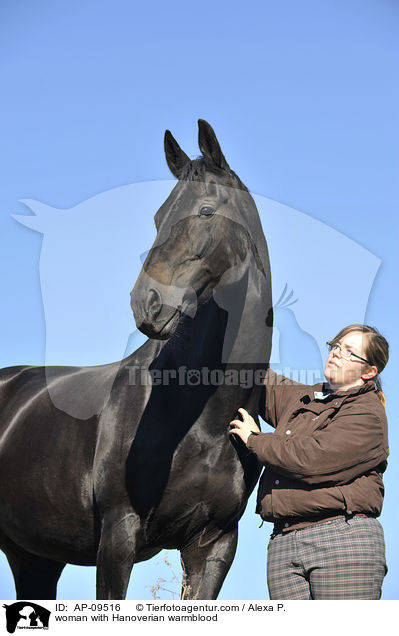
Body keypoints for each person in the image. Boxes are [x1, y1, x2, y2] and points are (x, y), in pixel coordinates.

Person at [229, 324, 389, 600]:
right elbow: (257, 376)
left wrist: (256, 440)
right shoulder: (303, 398)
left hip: (341, 539)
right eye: (336, 346)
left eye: (350, 352)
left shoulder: (368, 415)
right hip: (283, 543)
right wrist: (231, 327)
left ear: (369, 371)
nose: (337, 354)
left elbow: (311, 459)